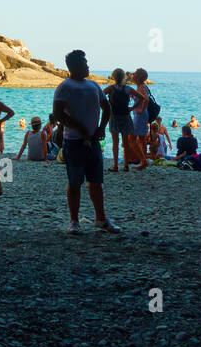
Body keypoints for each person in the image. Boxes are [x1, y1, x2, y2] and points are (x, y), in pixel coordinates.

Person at [53, 50, 119, 233]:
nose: (88, 66)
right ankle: (74, 221)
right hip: (73, 142)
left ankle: (101, 218)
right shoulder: (65, 87)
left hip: (93, 141)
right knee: (74, 182)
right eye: (84, 62)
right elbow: (58, 114)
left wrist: (101, 127)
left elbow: (107, 107)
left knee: (96, 181)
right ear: (74, 66)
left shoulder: (94, 86)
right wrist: (80, 129)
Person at [104, 68, 135, 172]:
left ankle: (115, 165)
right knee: (126, 143)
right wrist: (132, 108)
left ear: (113, 77)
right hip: (126, 116)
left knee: (115, 142)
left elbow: (99, 96)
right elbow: (143, 98)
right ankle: (126, 165)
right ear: (123, 77)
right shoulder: (128, 89)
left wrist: (106, 108)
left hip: (114, 116)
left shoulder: (111, 88)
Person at [129, 67, 152, 169]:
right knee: (142, 138)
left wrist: (141, 110)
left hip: (140, 116)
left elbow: (146, 99)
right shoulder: (141, 86)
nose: (132, 75)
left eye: (135, 73)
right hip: (141, 115)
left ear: (138, 77)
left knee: (131, 139)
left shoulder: (141, 87)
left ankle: (143, 160)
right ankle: (144, 161)